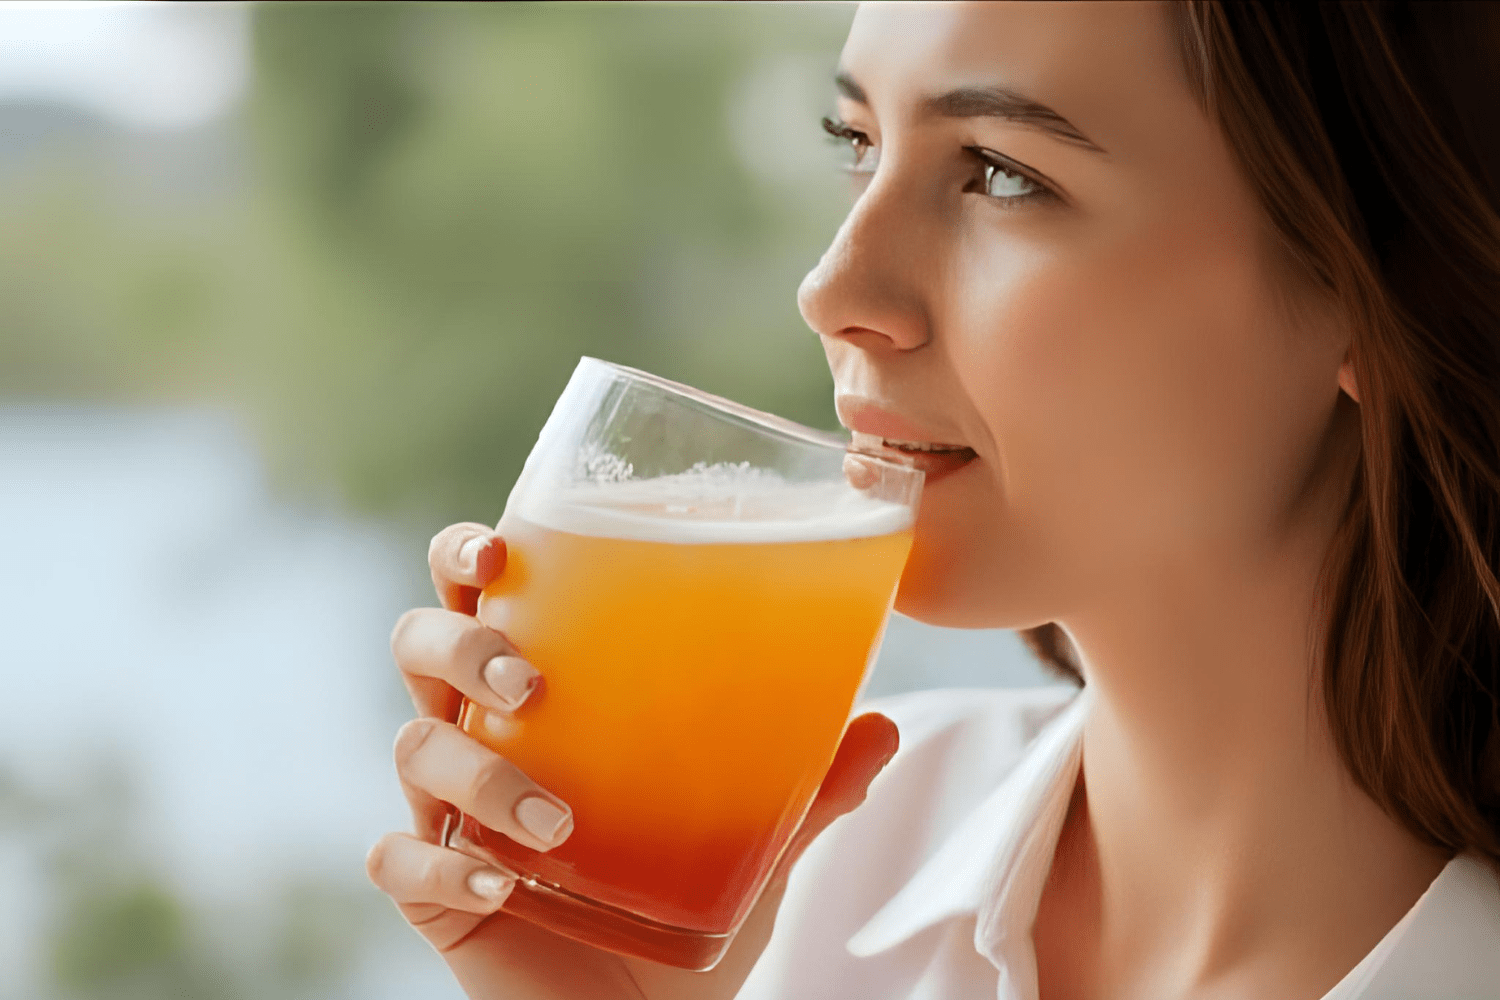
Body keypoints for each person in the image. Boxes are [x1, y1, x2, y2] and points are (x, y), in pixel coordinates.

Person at [364, 2, 1500, 997]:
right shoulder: (822, 878)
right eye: (857, 144)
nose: (833, 290)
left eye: (1002, 174)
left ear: (1385, 284)